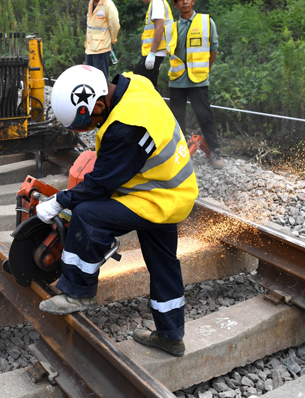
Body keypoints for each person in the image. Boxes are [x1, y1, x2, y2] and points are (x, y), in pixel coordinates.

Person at [36, 65, 198, 358]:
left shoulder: (126, 126)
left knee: (86, 213)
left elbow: (99, 185)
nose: (84, 131)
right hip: (173, 190)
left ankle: (79, 292)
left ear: (98, 104)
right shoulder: (134, 84)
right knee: (164, 264)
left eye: (83, 123)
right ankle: (171, 337)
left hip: (156, 196)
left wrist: (59, 200)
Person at [168, 0, 224, 169]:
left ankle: (215, 151)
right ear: (175, 4)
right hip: (177, 81)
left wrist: (205, 69)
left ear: (193, 0)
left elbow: (213, 49)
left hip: (198, 79)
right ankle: (181, 152)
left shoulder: (207, 22)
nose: (184, 2)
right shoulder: (172, 27)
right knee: (177, 119)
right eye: (180, 0)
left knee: (204, 116)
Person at [134, 0, 174, 91]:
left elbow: (159, 28)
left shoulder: (156, 2)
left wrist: (152, 53)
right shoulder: (158, 2)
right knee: (151, 87)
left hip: (155, 53)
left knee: (136, 81)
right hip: (155, 53)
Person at [80, 0, 120, 82]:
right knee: (90, 79)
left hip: (101, 48)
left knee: (101, 79)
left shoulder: (108, 5)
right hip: (89, 47)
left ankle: (103, 98)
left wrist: (112, 39)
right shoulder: (90, 3)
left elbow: (115, 24)